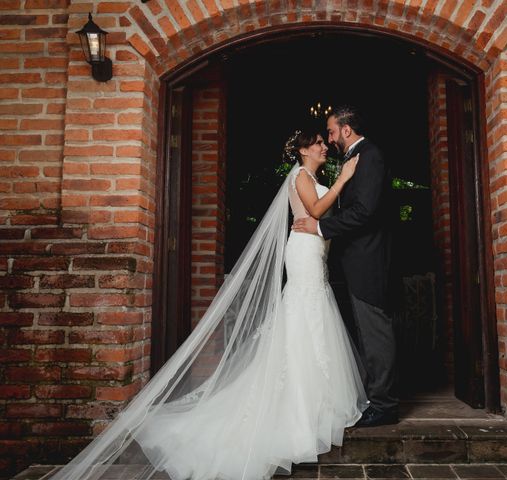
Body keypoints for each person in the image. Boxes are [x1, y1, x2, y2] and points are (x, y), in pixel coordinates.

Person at [47, 128, 366, 480]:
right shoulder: (301, 176)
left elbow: (322, 219)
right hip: (304, 253)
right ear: (304, 151)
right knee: (304, 315)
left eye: (324, 142)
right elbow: (317, 208)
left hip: (314, 253)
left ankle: (317, 403)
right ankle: (300, 409)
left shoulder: (311, 174)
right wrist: (345, 178)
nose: (324, 147)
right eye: (318, 143)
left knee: (313, 319)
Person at [292, 106, 399, 427]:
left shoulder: (369, 155)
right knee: (366, 331)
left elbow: (364, 210)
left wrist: (322, 228)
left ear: (346, 130)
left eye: (332, 132)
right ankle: (375, 398)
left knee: (375, 331)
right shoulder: (348, 161)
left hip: (368, 260)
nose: (329, 139)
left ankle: (384, 404)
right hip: (348, 259)